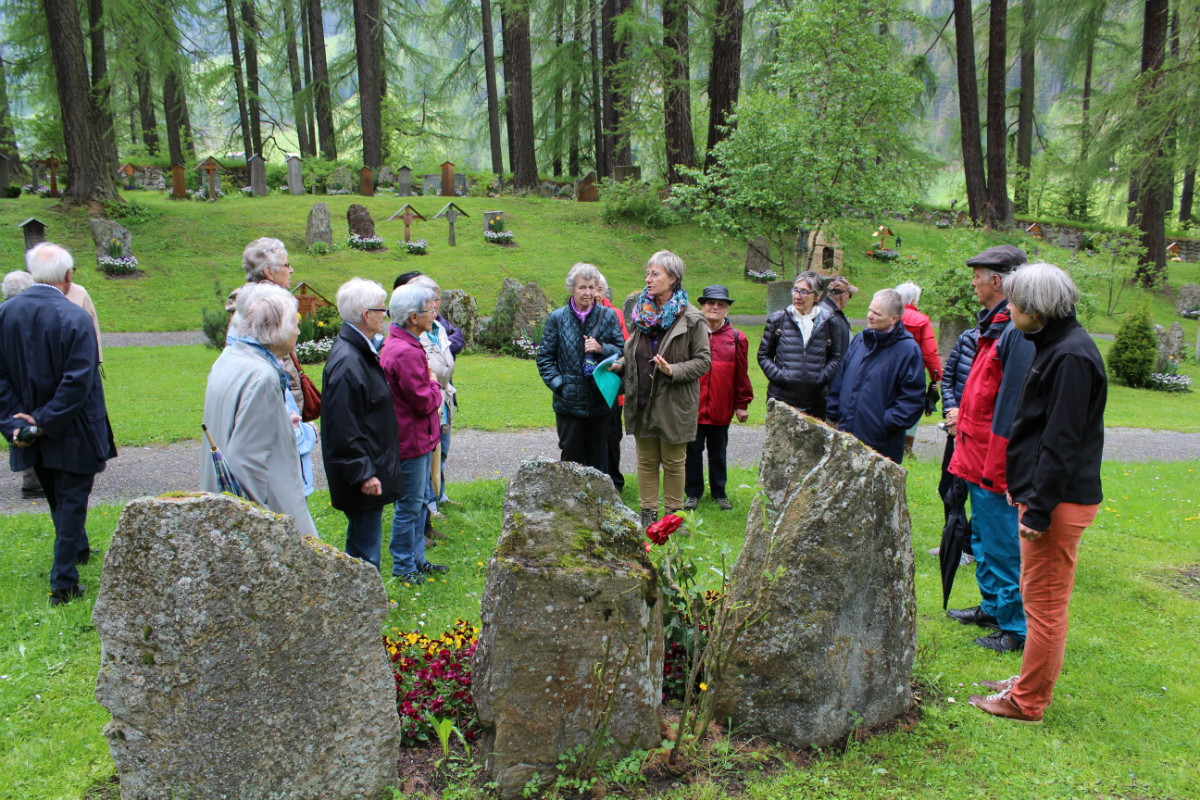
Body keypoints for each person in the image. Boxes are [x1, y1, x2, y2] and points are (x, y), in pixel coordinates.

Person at [969, 263, 1106, 724]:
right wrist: (1023, 488)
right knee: (1036, 596)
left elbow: (1061, 441)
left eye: (1013, 302)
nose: (1008, 309)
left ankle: (1027, 702)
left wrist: (1038, 509)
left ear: (1035, 308)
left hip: (1061, 501)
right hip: (1046, 494)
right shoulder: (1052, 344)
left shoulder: (1070, 356)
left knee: (1044, 606)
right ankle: (1026, 684)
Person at [0, 244, 116, 606]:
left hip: (30, 424)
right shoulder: (74, 316)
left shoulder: (5, 313)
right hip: (72, 426)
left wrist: (17, 420)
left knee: (55, 491)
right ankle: (64, 582)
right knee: (70, 500)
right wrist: (43, 421)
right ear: (69, 277)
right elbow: (78, 381)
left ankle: (78, 549)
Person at [946, 245, 1036, 653]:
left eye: (978, 275)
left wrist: (999, 469)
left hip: (994, 463)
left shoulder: (1016, 332)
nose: (973, 282)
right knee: (981, 537)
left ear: (997, 281)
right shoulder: (993, 327)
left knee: (1001, 543)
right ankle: (992, 607)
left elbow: (1011, 405)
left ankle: (1015, 627)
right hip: (974, 455)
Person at [203, 283, 317, 536]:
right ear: (273, 327)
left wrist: (279, 424)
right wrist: (259, 534)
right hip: (270, 516)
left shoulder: (229, 358)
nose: (298, 330)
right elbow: (247, 462)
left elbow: (236, 426)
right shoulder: (262, 375)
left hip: (223, 506)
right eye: (293, 322)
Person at [612, 250, 711, 529]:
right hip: (642, 397)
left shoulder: (693, 319)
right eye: (647, 273)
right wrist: (620, 363)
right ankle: (647, 516)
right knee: (645, 460)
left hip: (673, 401)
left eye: (655, 273)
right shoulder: (642, 315)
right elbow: (634, 350)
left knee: (673, 462)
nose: (648, 279)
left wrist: (673, 370)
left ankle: (672, 519)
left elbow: (703, 362)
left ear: (673, 278)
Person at [321, 278, 404, 571]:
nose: (386, 315)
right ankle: (363, 602)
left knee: (367, 537)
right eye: (382, 309)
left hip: (369, 462)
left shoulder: (358, 350)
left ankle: (367, 597)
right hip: (362, 472)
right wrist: (364, 473)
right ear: (367, 315)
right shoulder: (348, 360)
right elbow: (344, 425)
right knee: (363, 544)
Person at [380, 284, 449, 582]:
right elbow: (424, 401)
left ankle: (417, 559)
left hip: (418, 437)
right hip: (411, 439)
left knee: (421, 502)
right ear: (412, 317)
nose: (434, 312)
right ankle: (404, 566)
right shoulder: (405, 351)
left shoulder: (404, 343)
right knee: (409, 506)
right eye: (428, 309)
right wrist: (435, 385)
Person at [537, 263, 624, 471]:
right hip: (569, 403)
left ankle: (596, 503)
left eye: (592, 287)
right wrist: (560, 385)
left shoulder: (608, 316)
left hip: (600, 400)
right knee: (571, 458)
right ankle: (570, 502)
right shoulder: (557, 318)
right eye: (582, 287)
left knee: (597, 460)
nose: (588, 293)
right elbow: (545, 358)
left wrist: (601, 348)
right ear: (572, 289)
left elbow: (621, 351)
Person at [826, 289, 925, 463]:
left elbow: (913, 400)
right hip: (846, 434)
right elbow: (841, 378)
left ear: (893, 319)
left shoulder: (908, 351)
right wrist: (835, 414)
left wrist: (884, 424)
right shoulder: (860, 340)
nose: (870, 316)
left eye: (877, 313)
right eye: (870, 310)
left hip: (881, 444)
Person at [684, 284, 752, 511]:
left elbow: (741, 374)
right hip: (693, 405)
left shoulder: (737, 338)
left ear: (727, 310)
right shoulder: (691, 333)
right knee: (691, 452)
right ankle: (692, 493)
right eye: (710, 303)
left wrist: (741, 405)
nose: (715, 307)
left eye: (720, 304)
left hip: (721, 407)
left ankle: (719, 493)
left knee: (718, 452)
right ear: (702, 307)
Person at [227, 238, 306, 416]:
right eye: (286, 264)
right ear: (269, 272)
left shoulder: (263, 307)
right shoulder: (258, 312)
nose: (291, 269)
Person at [757, 270, 844, 419]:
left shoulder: (829, 322)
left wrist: (821, 377)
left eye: (804, 292)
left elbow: (835, 357)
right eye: (795, 290)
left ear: (817, 295)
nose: (797, 296)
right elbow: (763, 355)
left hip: (815, 403)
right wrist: (781, 376)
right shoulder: (778, 319)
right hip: (781, 400)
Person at [931, 323, 980, 564]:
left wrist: (965, 416)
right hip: (955, 426)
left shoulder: (1006, 341)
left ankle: (968, 547)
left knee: (975, 492)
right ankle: (951, 542)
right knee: (947, 487)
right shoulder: (968, 337)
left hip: (977, 430)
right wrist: (952, 411)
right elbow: (948, 376)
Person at [2, 270, 44, 500]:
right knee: (31, 423)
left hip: (8, 385)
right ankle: (33, 480)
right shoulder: (30, 315)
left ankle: (30, 478)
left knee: (16, 423)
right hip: (27, 381)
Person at [895, 281, 942, 455]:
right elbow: (930, 353)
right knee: (912, 407)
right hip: (912, 373)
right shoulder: (922, 320)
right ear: (914, 299)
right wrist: (936, 376)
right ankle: (906, 448)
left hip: (888, 370)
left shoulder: (889, 316)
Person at [596, 271, 630, 492]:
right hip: (587, 388)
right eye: (589, 287)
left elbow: (626, 347)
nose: (595, 293)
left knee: (611, 436)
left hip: (611, 385)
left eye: (599, 289)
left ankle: (614, 482)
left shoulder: (614, 313)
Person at [820, 274, 857, 358]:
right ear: (844, 296)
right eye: (850, 295)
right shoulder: (834, 317)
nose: (848, 299)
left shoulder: (820, 309)